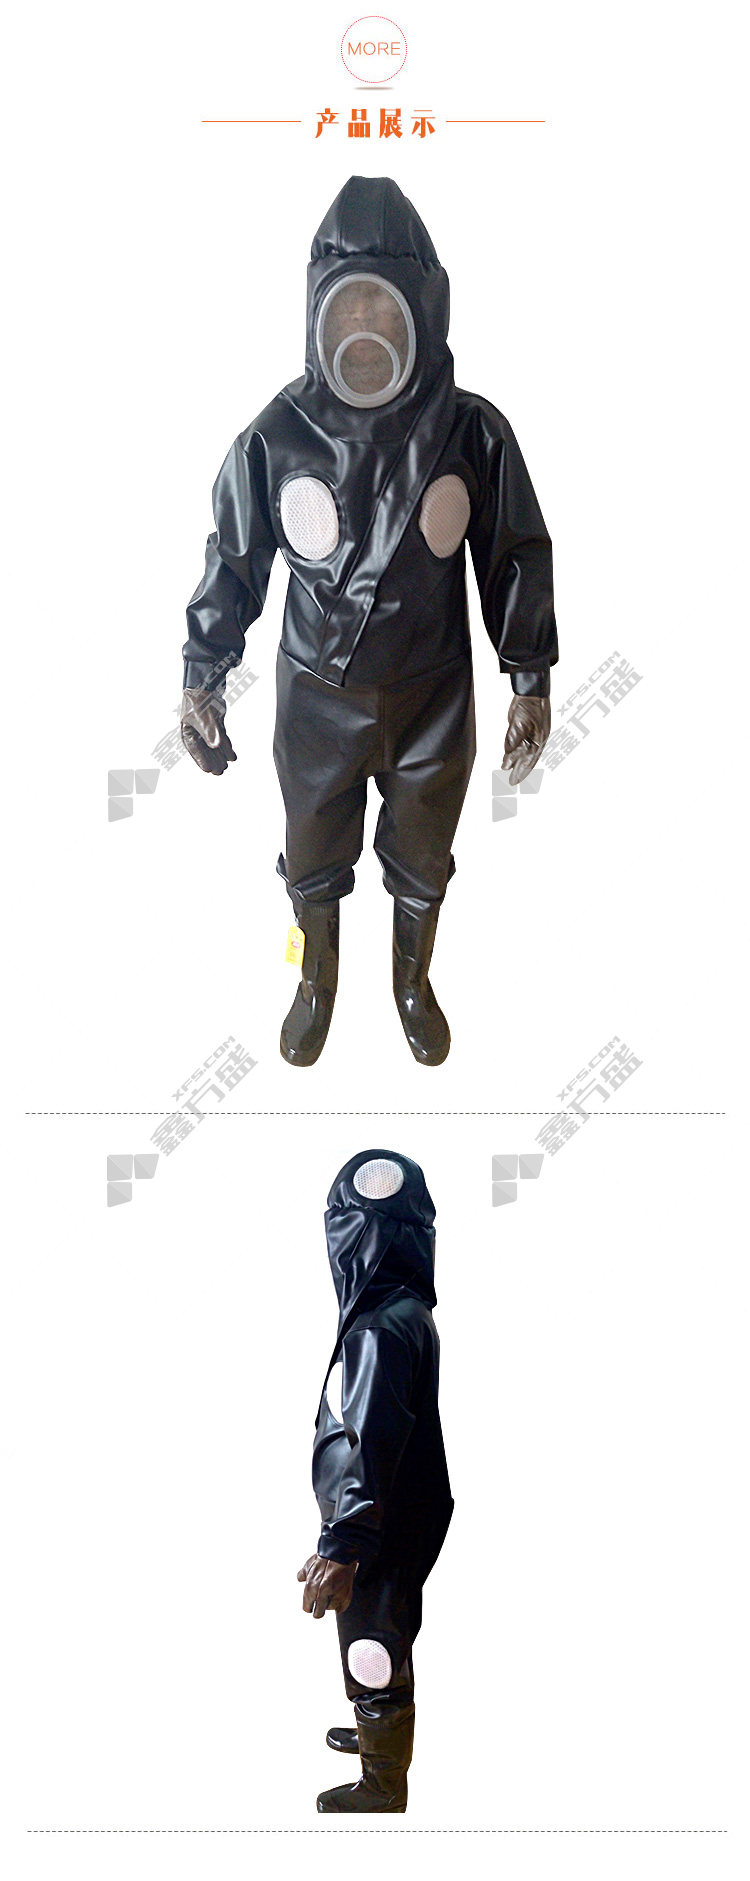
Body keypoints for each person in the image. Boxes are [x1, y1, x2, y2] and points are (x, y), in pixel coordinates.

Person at [182, 177, 558, 1066]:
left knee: (425, 852)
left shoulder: (473, 433)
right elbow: (234, 558)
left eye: (381, 305)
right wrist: (203, 674)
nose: (364, 325)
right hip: (318, 698)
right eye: (347, 303)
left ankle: (411, 980)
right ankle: (315, 980)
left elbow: (513, 552)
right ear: (316, 310)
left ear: (423, 310)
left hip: (435, 696)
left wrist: (529, 676)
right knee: (311, 850)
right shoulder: (277, 437)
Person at [298, 1151, 452, 1814]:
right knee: (389, 1621)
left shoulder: (376, 1331)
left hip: (378, 1520)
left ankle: (382, 1784)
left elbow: (367, 1439)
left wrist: (344, 1544)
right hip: (406, 1506)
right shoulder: (406, 1312)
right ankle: (375, 1733)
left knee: (370, 1641)